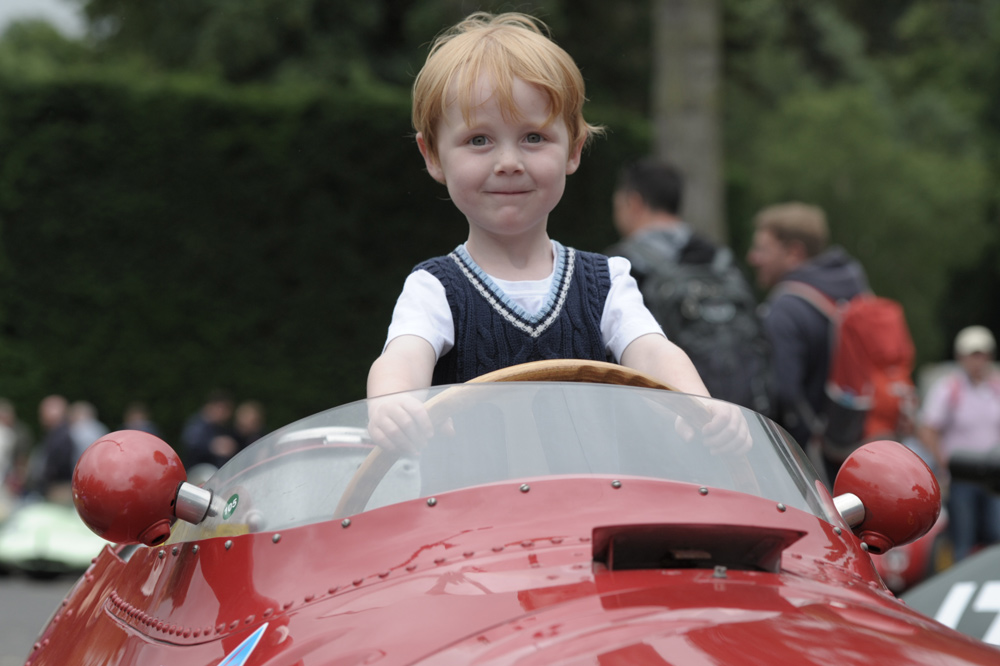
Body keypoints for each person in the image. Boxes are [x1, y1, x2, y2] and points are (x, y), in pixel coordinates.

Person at [367, 12, 747, 455]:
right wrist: (393, 404)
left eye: (533, 137)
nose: (508, 161)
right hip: (473, 522)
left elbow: (653, 352)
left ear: (574, 148)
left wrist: (700, 405)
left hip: (594, 516)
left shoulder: (606, 283)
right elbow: (402, 358)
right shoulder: (434, 290)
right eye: (478, 140)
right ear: (432, 155)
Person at [605, 158, 773, 415]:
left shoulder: (621, 268)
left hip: (671, 422)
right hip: (741, 419)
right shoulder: (721, 260)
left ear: (634, 202)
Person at [746, 202, 868, 484]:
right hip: (857, 449)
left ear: (794, 252)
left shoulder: (786, 309)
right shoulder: (854, 294)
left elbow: (784, 395)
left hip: (810, 464)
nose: (753, 258)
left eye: (762, 249)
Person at [918, 325, 1000, 561]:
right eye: (973, 355)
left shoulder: (995, 389)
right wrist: (944, 462)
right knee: (963, 539)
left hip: (993, 477)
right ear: (961, 358)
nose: (978, 361)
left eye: (982, 355)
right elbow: (928, 428)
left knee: (995, 536)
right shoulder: (949, 389)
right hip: (962, 477)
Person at [181, 389, 237, 469]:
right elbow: (191, 443)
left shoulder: (220, 426)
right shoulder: (197, 424)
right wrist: (213, 446)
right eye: (223, 409)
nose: (227, 414)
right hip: (198, 473)